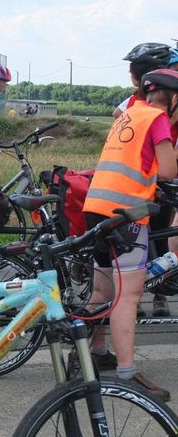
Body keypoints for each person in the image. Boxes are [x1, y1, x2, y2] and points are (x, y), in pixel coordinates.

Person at [83, 68, 178, 402]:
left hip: (96, 204)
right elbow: (168, 170)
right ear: (175, 99)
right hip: (127, 212)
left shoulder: (131, 113)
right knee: (129, 294)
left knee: (102, 286)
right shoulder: (159, 118)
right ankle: (127, 372)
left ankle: (91, 353)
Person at [112, 43, 173, 318]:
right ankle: (133, 298)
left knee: (158, 235)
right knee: (144, 238)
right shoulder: (137, 103)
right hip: (146, 180)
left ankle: (156, 293)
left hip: (161, 179)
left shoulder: (165, 97)